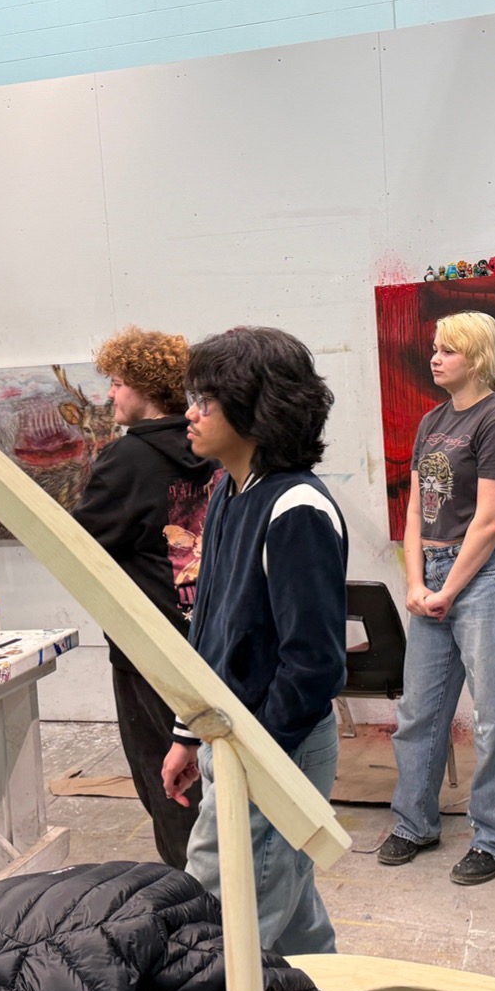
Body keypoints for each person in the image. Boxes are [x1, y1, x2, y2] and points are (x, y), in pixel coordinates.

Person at [158, 326, 347, 957]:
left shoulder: (294, 509)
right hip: (234, 740)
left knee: (218, 936)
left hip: (270, 748)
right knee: (292, 925)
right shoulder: (232, 493)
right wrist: (191, 734)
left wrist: (253, 758)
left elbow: (314, 664)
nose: (191, 413)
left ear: (256, 407)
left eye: (206, 400)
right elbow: (213, 628)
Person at [377, 310, 495, 886]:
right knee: (420, 711)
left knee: (494, 717)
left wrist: (447, 588)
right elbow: (417, 510)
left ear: (477, 356)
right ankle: (413, 823)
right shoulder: (432, 422)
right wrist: (416, 584)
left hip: (488, 575)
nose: (434, 357)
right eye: (435, 348)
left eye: (447, 350)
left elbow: (490, 521)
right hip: (437, 574)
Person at [72, 326, 217, 870]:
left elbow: (80, 549)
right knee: (214, 781)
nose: (110, 395)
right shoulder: (211, 446)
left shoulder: (126, 459)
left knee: (169, 788)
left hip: (151, 650)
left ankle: (196, 911)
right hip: (212, 636)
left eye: (116, 383)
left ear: (144, 387)